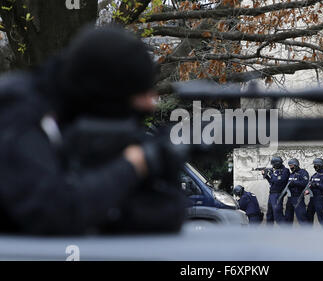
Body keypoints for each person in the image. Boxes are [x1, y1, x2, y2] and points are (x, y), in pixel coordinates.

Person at [0, 26, 186, 235]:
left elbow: (155, 213)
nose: (150, 105)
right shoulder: (16, 110)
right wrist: (135, 164)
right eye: (135, 97)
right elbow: (52, 211)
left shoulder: (62, 115)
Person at [262, 156, 290, 225]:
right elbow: (272, 182)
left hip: (278, 194)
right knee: (269, 214)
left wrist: (271, 173)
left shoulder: (285, 171)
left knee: (277, 213)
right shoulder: (276, 172)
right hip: (272, 194)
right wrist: (266, 176)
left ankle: (285, 230)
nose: (272, 166)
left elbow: (278, 181)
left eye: (273, 164)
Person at [306, 158, 323, 226]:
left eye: (315, 165)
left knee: (322, 217)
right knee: (309, 216)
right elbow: (310, 185)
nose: (314, 167)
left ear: (320, 165)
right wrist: (307, 190)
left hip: (320, 198)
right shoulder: (314, 175)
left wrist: (317, 184)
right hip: (312, 198)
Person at [284, 158, 309, 225]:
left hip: (298, 197)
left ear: (296, 165)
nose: (290, 167)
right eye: (289, 166)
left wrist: (295, 182)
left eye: (291, 166)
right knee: (288, 217)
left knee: (301, 217)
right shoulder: (291, 174)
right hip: (290, 198)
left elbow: (305, 182)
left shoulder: (303, 172)